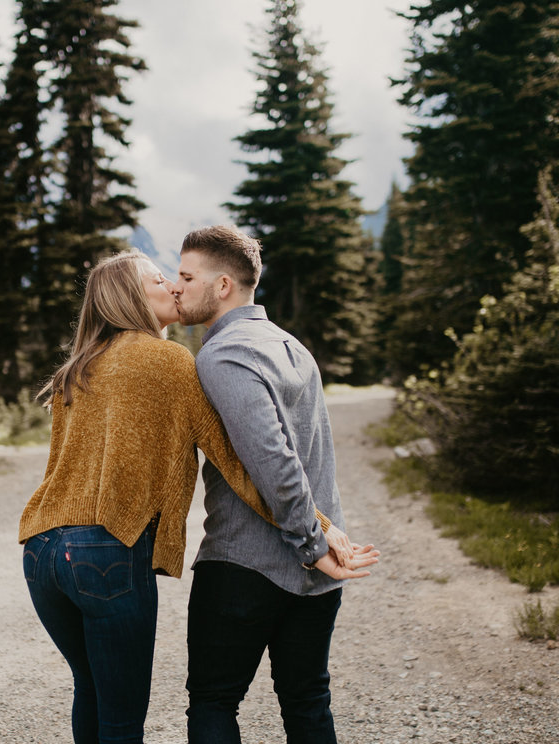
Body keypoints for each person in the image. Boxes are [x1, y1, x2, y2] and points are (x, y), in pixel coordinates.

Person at [18, 249, 369, 744]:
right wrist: (322, 528)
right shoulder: (168, 361)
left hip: (41, 553)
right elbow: (242, 464)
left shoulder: (77, 367)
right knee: (120, 721)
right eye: (161, 280)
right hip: (103, 553)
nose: (174, 288)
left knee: (91, 689)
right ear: (132, 297)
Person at [173, 225, 379, 744]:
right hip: (316, 574)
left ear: (222, 286)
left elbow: (274, 460)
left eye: (186, 276)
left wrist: (311, 543)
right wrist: (318, 545)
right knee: (308, 703)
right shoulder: (291, 346)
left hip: (247, 566)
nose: (177, 287)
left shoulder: (223, 355)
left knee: (214, 702)